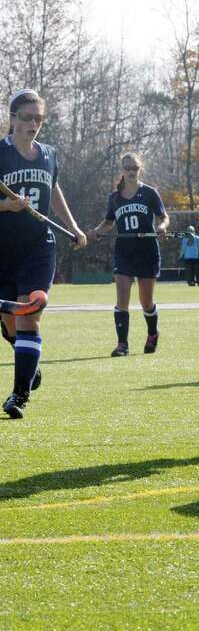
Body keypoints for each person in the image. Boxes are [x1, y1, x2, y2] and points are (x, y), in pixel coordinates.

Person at [0, 89, 88, 418]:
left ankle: (19, 395)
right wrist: (6, 205)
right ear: (12, 119)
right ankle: (29, 366)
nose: (33, 124)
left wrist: (74, 227)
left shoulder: (49, 154)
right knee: (10, 326)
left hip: (39, 247)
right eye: (27, 118)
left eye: (38, 118)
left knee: (29, 315)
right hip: (3, 249)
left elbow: (53, 189)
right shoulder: (1, 154)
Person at [86, 152, 169, 356]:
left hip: (147, 250)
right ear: (122, 170)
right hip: (124, 251)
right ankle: (122, 344)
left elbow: (163, 217)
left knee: (145, 301)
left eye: (135, 168)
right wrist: (95, 232)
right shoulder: (114, 198)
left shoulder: (150, 193)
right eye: (128, 168)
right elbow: (108, 223)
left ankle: (152, 333)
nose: (132, 171)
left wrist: (162, 227)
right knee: (122, 295)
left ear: (140, 170)